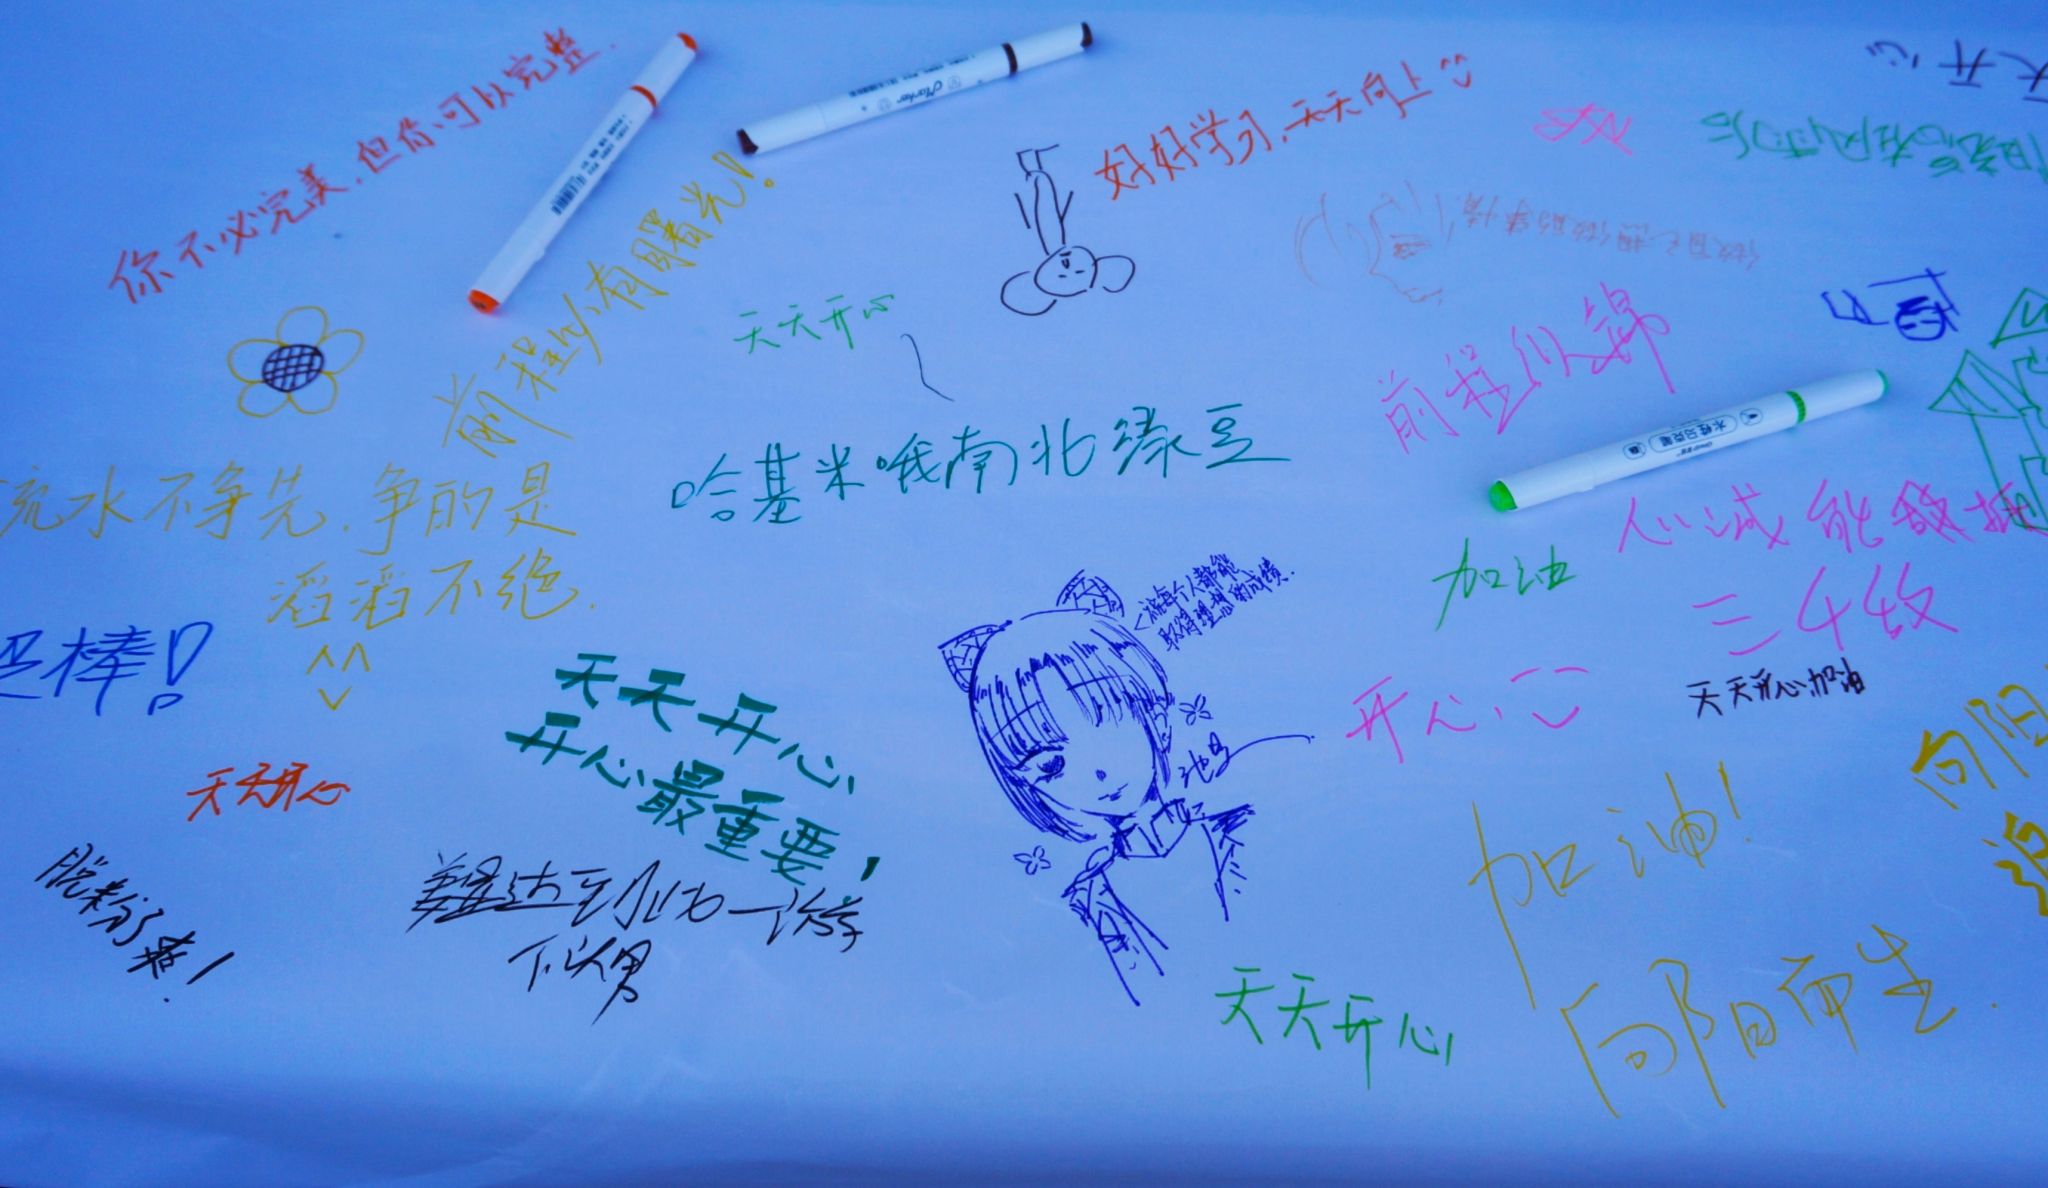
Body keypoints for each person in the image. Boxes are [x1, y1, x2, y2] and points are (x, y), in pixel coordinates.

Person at [939, 572, 1251, 1005]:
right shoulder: (1088, 902)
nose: (1098, 773)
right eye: (1052, 766)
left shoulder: (1240, 832)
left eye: (1109, 727)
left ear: (1156, 718)